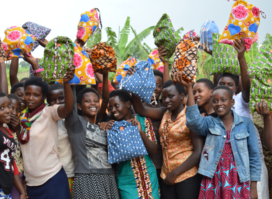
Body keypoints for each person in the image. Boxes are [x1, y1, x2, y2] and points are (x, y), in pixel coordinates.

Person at [128, 64, 202, 199]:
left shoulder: (190, 116)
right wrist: (134, 82)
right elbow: (141, 110)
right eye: (164, 97)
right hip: (166, 174)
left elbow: (197, 152)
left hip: (186, 175)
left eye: (171, 96)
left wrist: (175, 174)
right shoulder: (165, 113)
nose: (166, 100)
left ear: (181, 96)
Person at [183, 76, 261, 199]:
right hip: (213, 179)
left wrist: (253, 187)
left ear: (232, 102)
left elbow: (254, 156)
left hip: (239, 180)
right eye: (215, 101)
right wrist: (189, 88)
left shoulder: (246, 123)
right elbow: (192, 122)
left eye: (223, 100)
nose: (219, 104)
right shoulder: (209, 122)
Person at [216, 39, 269, 199]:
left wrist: (241, 57)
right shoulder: (216, 106)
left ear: (237, 87)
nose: (226, 87)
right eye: (222, 83)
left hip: (252, 165)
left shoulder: (241, 100)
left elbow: (247, 87)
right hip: (229, 168)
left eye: (230, 84)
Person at [19, 68, 74, 199]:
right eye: (27, 94)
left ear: (44, 97)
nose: (30, 98)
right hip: (31, 184)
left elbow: (68, 108)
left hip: (52, 179)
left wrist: (66, 83)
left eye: (36, 95)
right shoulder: (23, 118)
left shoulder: (49, 112)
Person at [65, 69, 120, 199]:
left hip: (109, 177)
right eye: (87, 101)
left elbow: (106, 98)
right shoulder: (75, 124)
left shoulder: (101, 123)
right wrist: (68, 83)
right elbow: (69, 106)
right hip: (87, 178)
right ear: (79, 106)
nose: (93, 104)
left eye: (95, 101)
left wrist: (105, 74)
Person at [104, 89, 160, 199]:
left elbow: (154, 150)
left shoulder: (143, 121)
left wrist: (140, 132)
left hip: (148, 175)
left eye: (116, 106)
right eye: (111, 108)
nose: (113, 110)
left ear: (128, 104)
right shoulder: (112, 127)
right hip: (126, 179)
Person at [47, 84, 75, 198]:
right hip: (53, 175)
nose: (57, 102)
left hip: (72, 172)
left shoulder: (74, 118)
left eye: (61, 98)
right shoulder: (47, 120)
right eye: (52, 100)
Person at [6, 94, 26, 199]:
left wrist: (18, 130)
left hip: (20, 176)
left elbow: (26, 153)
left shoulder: (22, 128)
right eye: (10, 107)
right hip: (6, 177)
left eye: (17, 109)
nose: (13, 113)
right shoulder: (3, 128)